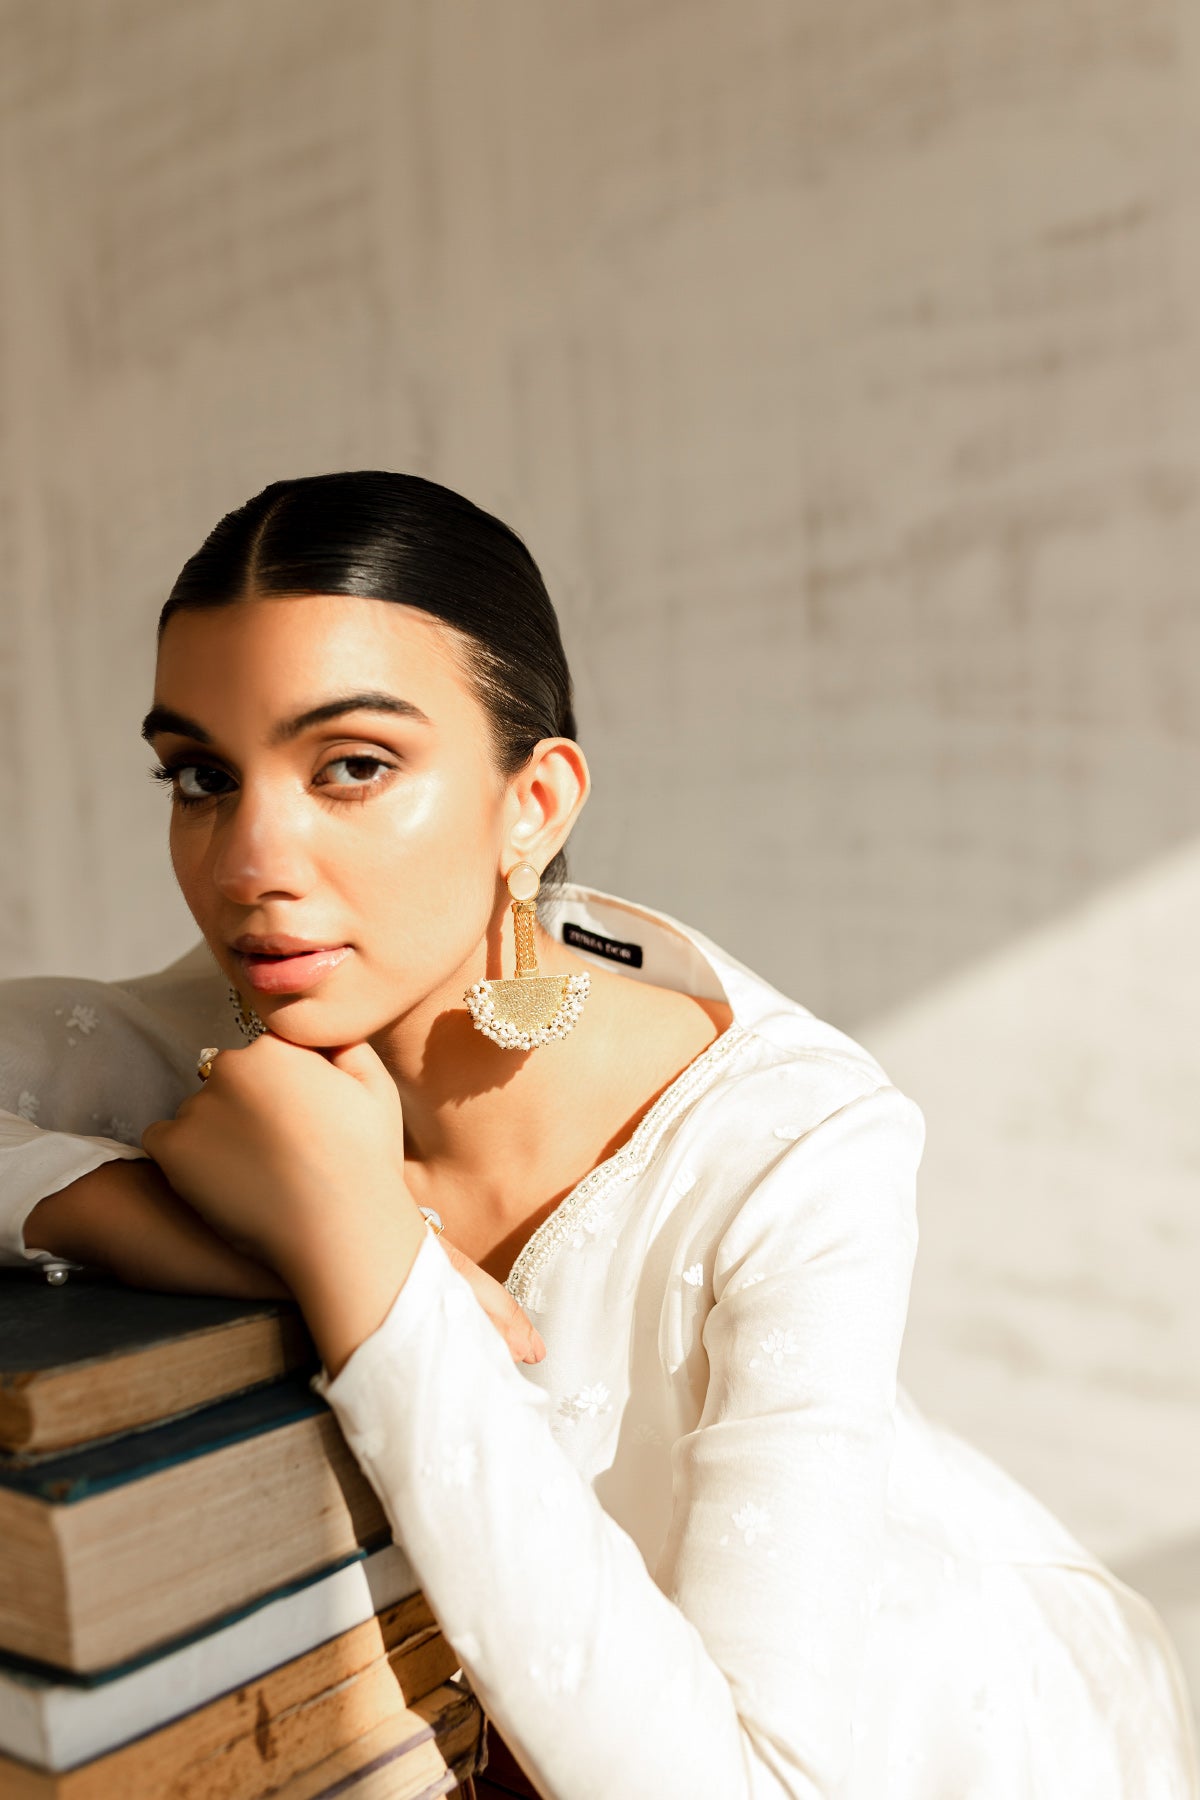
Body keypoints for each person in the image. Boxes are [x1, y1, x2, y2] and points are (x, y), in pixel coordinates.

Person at [1, 470, 1196, 1800]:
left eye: (353, 766)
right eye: (202, 775)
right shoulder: (217, 1052)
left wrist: (360, 1250)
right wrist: (159, 1221)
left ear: (535, 801)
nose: (246, 861)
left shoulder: (797, 1143)